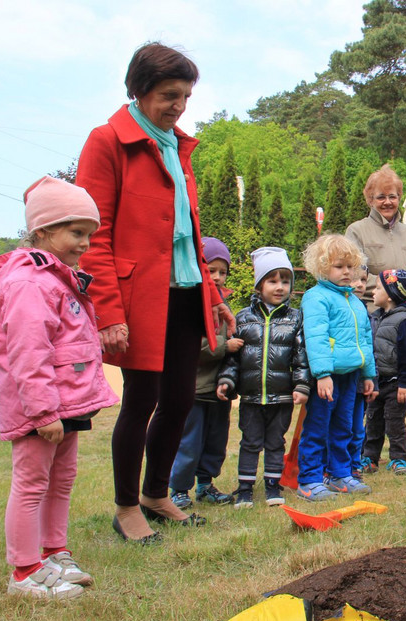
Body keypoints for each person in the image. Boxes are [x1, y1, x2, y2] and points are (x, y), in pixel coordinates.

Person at [76, 43, 235, 542]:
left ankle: (156, 494)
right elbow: (92, 235)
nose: (179, 105)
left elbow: (188, 232)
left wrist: (212, 293)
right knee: (140, 399)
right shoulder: (106, 142)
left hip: (185, 293)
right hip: (136, 297)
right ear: (138, 90)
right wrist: (106, 310)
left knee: (181, 398)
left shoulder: (176, 146)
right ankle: (126, 508)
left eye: (186, 96)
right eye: (169, 95)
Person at [0, 177, 119, 597]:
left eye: (89, 234)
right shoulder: (29, 283)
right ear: (42, 231)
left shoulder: (59, 278)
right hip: (40, 410)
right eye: (76, 232)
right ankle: (24, 571)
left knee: (61, 479)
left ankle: (54, 552)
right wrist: (43, 412)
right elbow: (28, 353)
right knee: (31, 483)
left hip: (66, 405)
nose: (85, 243)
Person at [216, 248, 311, 508]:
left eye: (285, 280)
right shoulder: (243, 318)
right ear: (259, 285)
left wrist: (302, 384)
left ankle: (272, 486)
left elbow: (301, 356)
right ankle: (245, 488)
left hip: (282, 396)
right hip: (251, 396)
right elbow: (232, 358)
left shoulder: (295, 319)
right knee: (250, 442)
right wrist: (227, 380)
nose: (280, 287)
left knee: (275, 442)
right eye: (272, 280)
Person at [297, 235, 376, 501]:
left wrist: (368, 374)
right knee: (318, 427)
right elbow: (316, 338)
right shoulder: (316, 298)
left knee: (344, 427)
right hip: (327, 376)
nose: (346, 272)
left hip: (351, 375)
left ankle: (339, 474)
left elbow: (364, 339)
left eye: (350, 266)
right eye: (339, 266)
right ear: (321, 268)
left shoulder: (354, 301)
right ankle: (309, 479)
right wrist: (322, 375)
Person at [169, 238, 241, 509]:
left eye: (222, 272)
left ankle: (205, 484)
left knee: (215, 442)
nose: (218, 277)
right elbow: (190, 345)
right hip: (195, 388)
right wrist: (226, 346)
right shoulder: (191, 303)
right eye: (211, 271)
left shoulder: (225, 301)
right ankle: (178, 489)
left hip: (219, 390)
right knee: (189, 442)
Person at [363, 270, 406, 475]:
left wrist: (405, 384)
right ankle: (370, 458)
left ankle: (398, 459)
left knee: (394, 423)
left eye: (378, 288)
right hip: (376, 382)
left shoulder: (405, 320)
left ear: (390, 294)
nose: (373, 292)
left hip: (396, 384)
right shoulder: (374, 317)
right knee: (373, 421)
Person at [345, 164, 406, 308]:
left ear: (399, 198)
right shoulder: (356, 231)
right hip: (372, 308)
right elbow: (354, 276)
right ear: (370, 200)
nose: (387, 202)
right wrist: (395, 287)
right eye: (381, 197)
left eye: (392, 196)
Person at [349, 265, 372, 478]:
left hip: (359, 379)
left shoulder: (363, 308)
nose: (359, 284)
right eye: (354, 279)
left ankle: (354, 465)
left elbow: (367, 343)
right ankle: (332, 468)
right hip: (341, 378)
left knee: (357, 427)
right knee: (340, 426)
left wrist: (369, 375)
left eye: (363, 280)